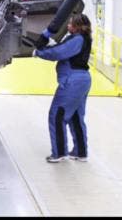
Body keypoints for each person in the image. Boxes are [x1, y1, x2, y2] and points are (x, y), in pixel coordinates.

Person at [33, 13, 93, 163]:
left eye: (71, 23)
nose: (68, 25)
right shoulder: (83, 38)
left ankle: (59, 153)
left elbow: (58, 52)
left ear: (77, 26)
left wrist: (39, 52)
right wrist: (53, 45)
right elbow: (63, 49)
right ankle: (81, 152)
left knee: (57, 115)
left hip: (73, 80)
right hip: (83, 79)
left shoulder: (77, 39)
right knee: (75, 116)